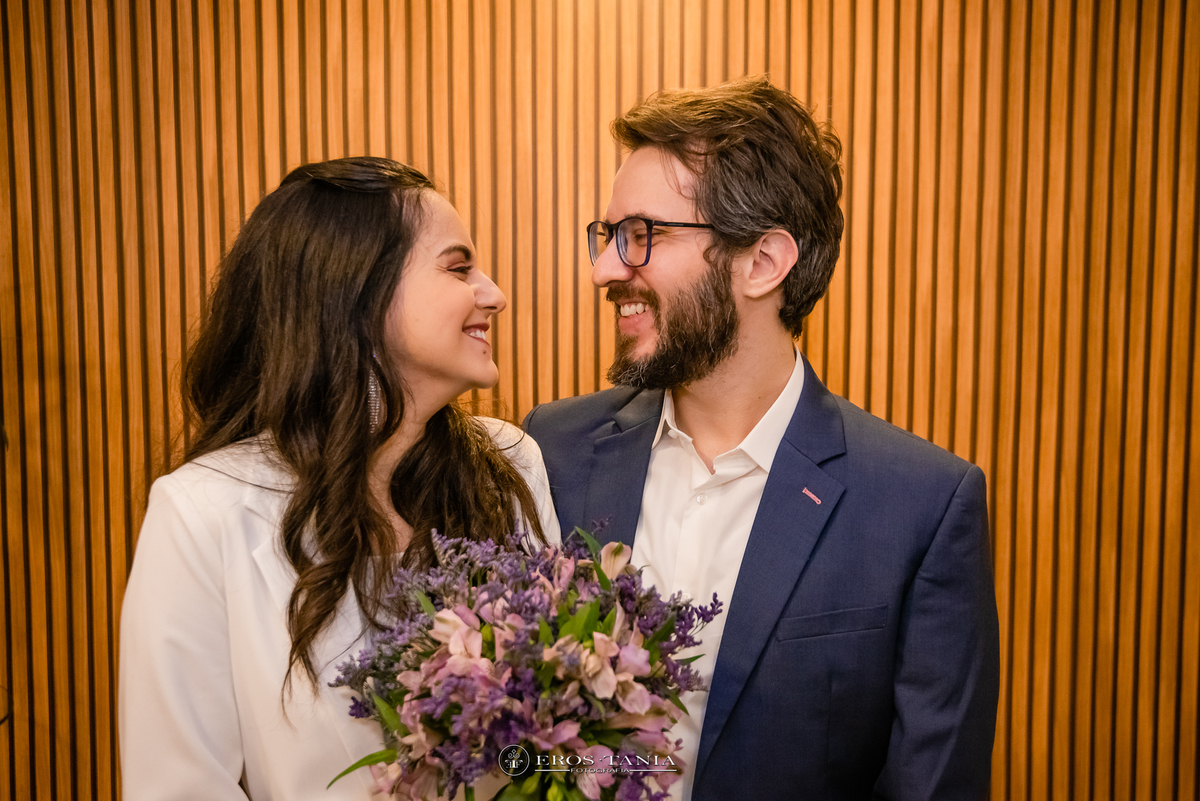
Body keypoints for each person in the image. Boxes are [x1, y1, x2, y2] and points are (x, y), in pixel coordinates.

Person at [523, 78, 1000, 800]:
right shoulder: (550, 450)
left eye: (641, 235)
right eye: (608, 236)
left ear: (763, 262)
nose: (605, 269)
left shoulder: (921, 507)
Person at [119, 157, 560, 800]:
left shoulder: (510, 465)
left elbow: (552, 747)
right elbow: (179, 787)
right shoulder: (203, 511)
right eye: (458, 267)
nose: (493, 294)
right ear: (358, 292)